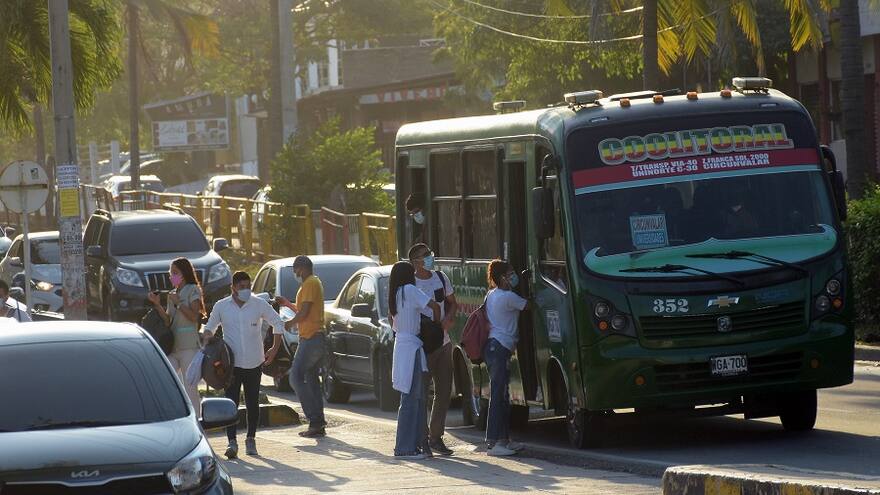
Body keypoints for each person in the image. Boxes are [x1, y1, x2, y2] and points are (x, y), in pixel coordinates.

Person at [204, 271, 286, 459]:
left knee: (252, 403)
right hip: (230, 365)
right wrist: (206, 344)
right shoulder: (222, 306)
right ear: (233, 288)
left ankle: (251, 439)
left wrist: (274, 348)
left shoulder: (258, 304)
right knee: (230, 404)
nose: (246, 290)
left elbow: (277, 323)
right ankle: (231, 442)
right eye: (241, 287)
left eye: (248, 286)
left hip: (254, 362)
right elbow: (210, 328)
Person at [408, 243, 458, 456]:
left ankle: (436, 437)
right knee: (421, 393)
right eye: (424, 255)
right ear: (415, 262)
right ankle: (422, 439)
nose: (429, 257)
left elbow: (452, 303)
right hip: (423, 345)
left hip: (444, 342)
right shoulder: (410, 283)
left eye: (429, 253)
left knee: (444, 391)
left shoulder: (440, 277)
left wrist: (449, 317)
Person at [389, 261, 440, 459]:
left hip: (403, 347)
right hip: (412, 348)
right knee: (412, 400)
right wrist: (437, 328)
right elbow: (434, 305)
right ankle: (404, 448)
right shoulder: (409, 290)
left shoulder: (395, 294)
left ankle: (414, 445)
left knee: (413, 399)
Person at [275, 255, 328, 438]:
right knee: (311, 379)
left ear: (302, 268)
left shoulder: (311, 283)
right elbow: (303, 309)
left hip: (312, 338)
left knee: (295, 378)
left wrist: (289, 324)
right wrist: (287, 304)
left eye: (296, 270)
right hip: (312, 337)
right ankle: (318, 424)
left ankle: (314, 420)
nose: (295, 274)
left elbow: (304, 313)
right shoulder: (308, 285)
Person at [147, 257, 206, 416]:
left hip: (189, 346)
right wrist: (157, 304)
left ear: (184, 273)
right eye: (170, 273)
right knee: (166, 380)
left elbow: (194, 316)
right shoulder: (172, 294)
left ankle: (197, 421)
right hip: (173, 346)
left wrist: (179, 303)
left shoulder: (193, 289)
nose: (171, 276)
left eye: (175, 273)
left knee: (190, 387)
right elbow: (168, 320)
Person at [484, 260, 528, 456]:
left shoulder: (491, 295)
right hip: (500, 348)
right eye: (511, 273)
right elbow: (530, 306)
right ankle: (494, 443)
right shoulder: (509, 297)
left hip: (494, 347)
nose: (514, 276)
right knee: (498, 396)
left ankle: (504, 440)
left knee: (502, 396)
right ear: (502, 278)